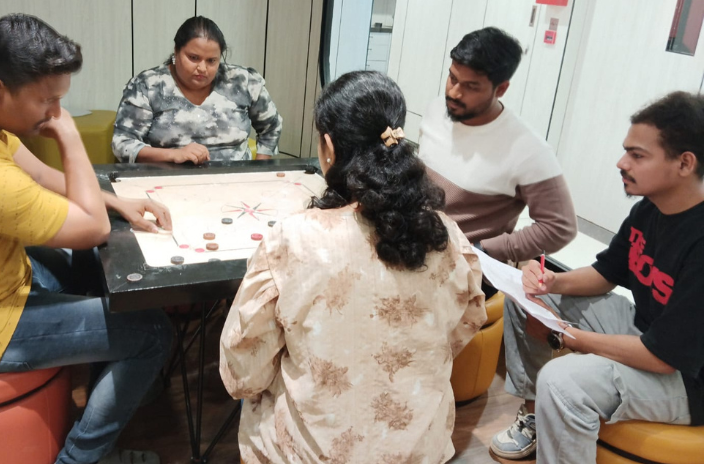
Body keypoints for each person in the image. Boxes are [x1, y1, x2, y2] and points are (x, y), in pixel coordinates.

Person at [0, 14, 174, 464]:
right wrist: (70, 137)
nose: (54, 113)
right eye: (48, 101)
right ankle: (80, 458)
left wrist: (116, 202)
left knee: (87, 263)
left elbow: (38, 174)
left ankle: (111, 367)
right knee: (152, 331)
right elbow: (91, 227)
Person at [219, 71, 486, 464]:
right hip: (418, 450)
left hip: (314, 454)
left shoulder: (294, 239)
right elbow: (465, 325)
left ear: (328, 146)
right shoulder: (446, 234)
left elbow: (242, 368)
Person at [490, 91, 704, 463]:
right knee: (524, 301)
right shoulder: (648, 210)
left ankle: (555, 408)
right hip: (645, 330)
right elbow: (606, 274)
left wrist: (564, 335)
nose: (622, 163)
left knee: (564, 380)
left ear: (685, 163)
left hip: (688, 380)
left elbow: (662, 358)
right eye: (626, 151)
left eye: (637, 155)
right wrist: (550, 284)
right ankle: (537, 416)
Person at [417, 27, 577, 287]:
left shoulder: (528, 150)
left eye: (471, 87)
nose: (455, 93)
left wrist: (485, 250)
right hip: (414, 251)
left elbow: (560, 227)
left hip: (463, 275)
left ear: (501, 89)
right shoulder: (436, 110)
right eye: (452, 78)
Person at [112, 16, 283, 165]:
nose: (202, 68)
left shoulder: (243, 81)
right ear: (176, 51)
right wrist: (174, 155)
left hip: (234, 182)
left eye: (211, 61)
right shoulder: (148, 85)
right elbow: (123, 144)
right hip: (166, 182)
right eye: (193, 58)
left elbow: (271, 126)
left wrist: (260, 170)